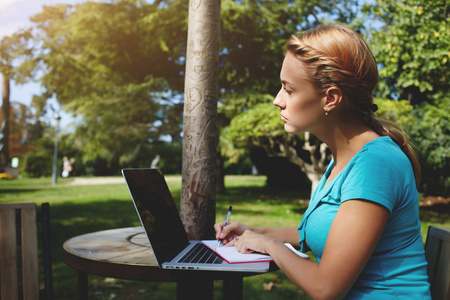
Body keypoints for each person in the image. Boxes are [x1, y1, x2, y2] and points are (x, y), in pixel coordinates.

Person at [215, 24, 431, 299]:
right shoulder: (344, 159)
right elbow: (314, 234)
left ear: (330, 98)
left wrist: (270, 246)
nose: (276, 100)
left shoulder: (375, 164)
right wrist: (251, 231)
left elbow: (325, 287)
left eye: (289, 90)